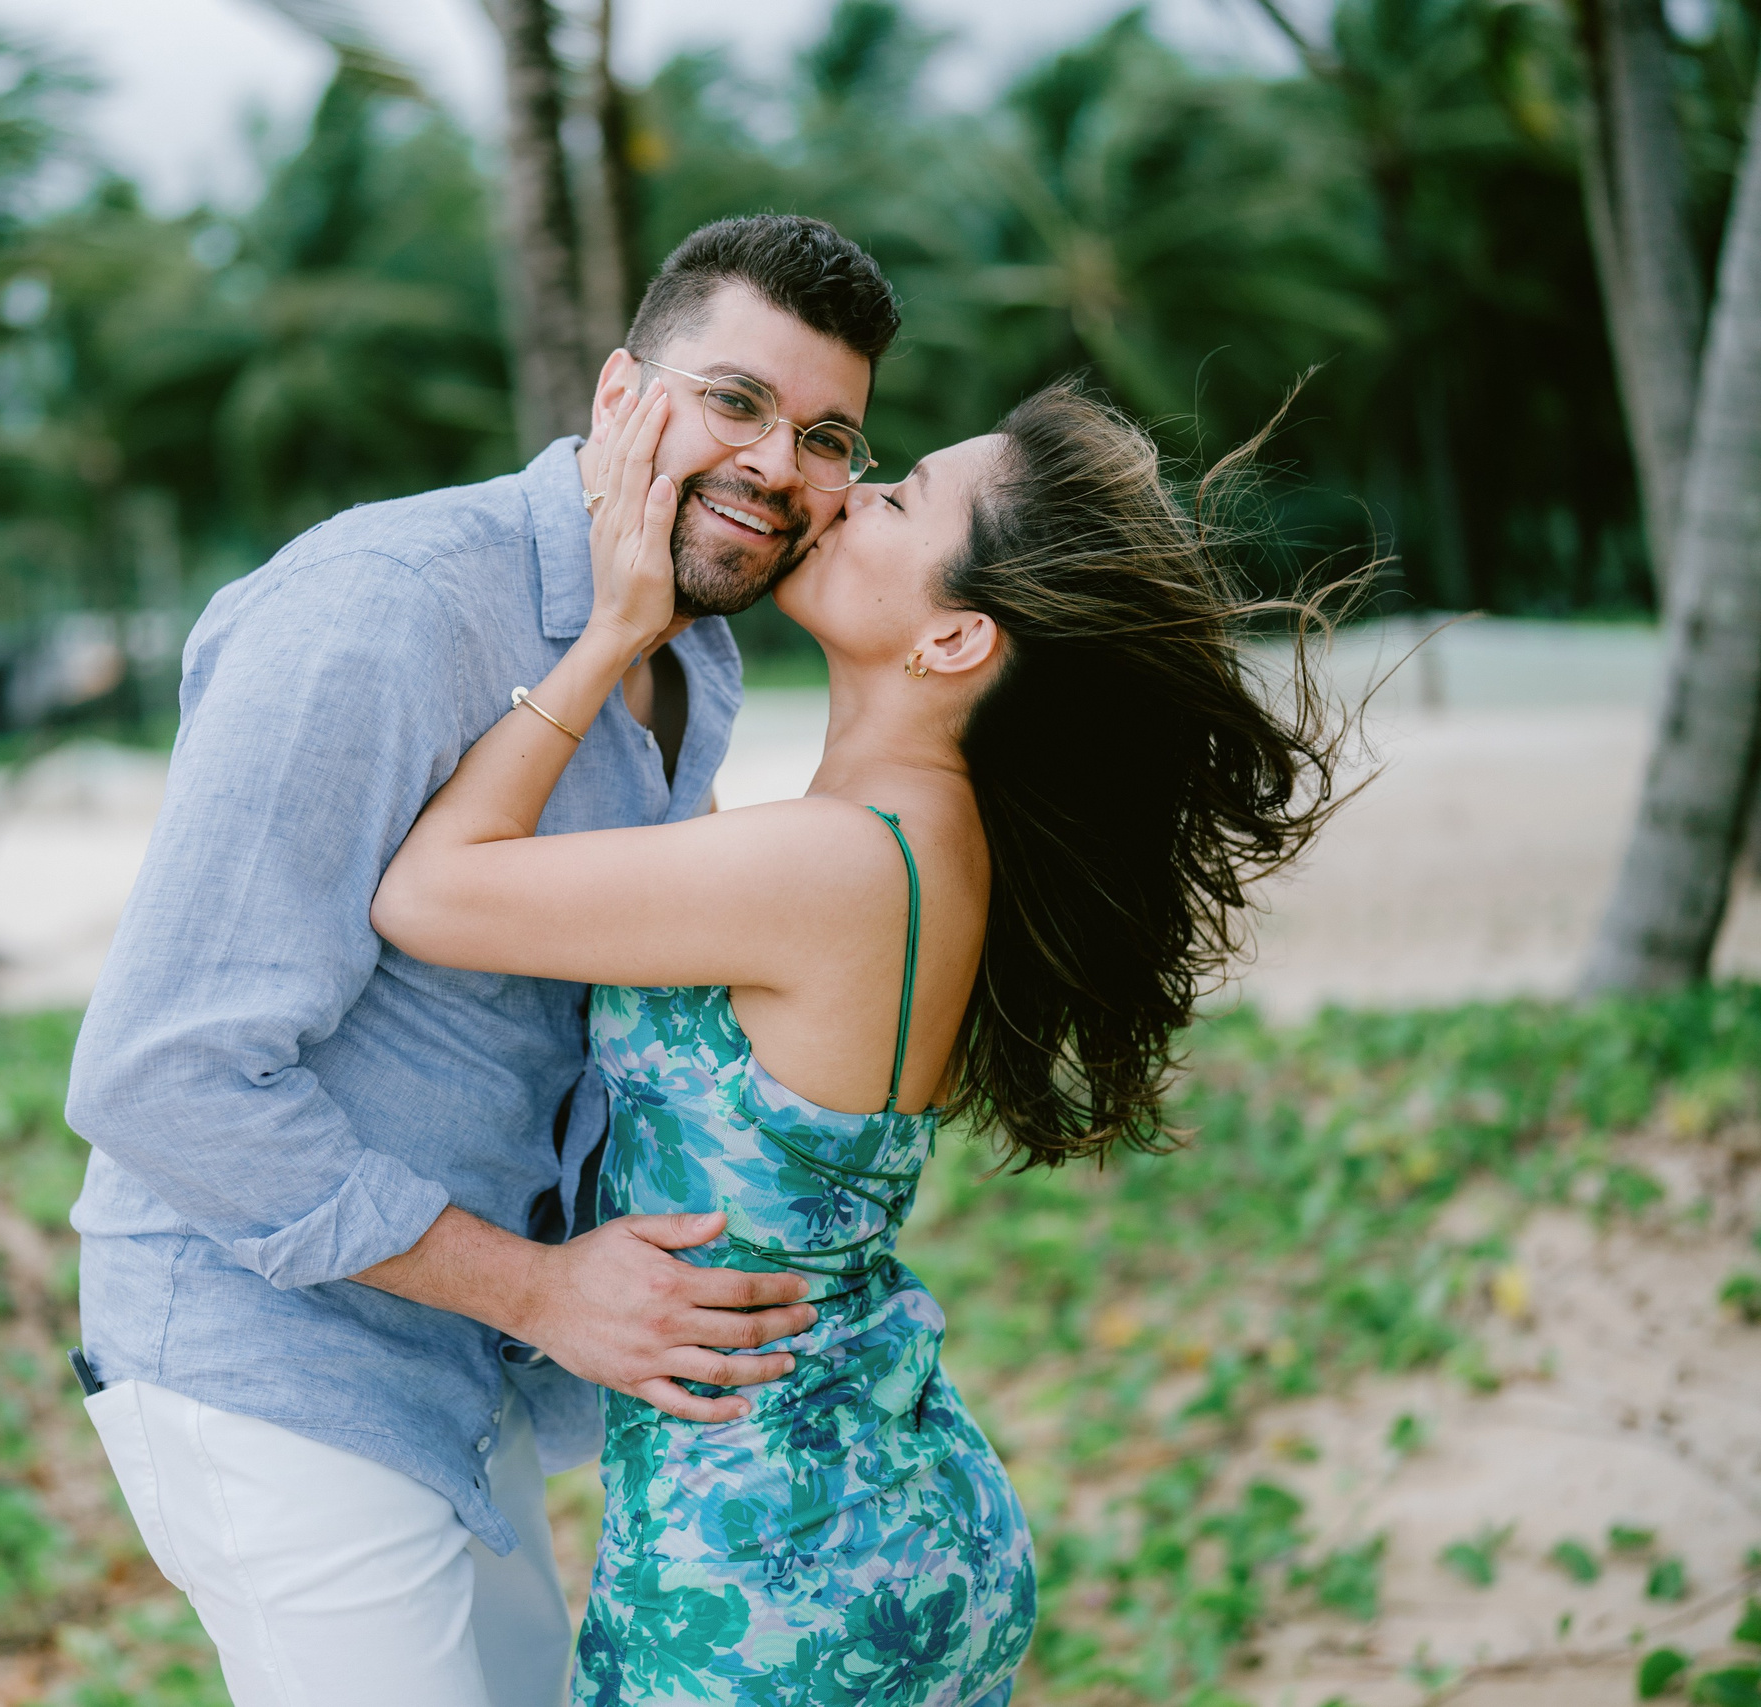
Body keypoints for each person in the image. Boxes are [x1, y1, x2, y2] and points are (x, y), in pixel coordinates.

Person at [370, 373, 1346, 1702]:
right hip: (862, 1519)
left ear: (952, 642)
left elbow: (427, 896)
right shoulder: (911, 842)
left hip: (773, 1574)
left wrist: (607, 636)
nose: (836, 493)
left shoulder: (836, 867)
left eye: (895, 498)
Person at [62, 214, 902, 1707]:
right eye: (737, 400)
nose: (781, 463)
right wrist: (541, 1292)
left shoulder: (691, 656)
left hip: (454, 1361)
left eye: (828, 433)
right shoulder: (381, 609)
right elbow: (158, 1076)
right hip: (272, 1356)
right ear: (616, 397)